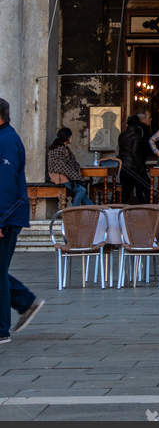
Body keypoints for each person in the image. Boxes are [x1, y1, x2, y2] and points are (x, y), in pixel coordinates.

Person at [0, 98, 44, 345]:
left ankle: (2, 329)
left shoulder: (6, 141)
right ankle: (25, 301)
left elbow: (5, 185)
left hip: (6, 217)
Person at [45, 128, 91, 207]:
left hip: (65, 176)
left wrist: (78, 175)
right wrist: (77, 178)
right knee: (81, 190)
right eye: (70, 136)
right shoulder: (58, 148)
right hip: (58, 177)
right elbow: (62, 167)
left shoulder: (65, 148)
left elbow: (72, 163)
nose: (71, 138)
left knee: (83, 194)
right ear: (67, 137)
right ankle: (73, 212)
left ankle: (96, 211)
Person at [118, 109, 151, 203]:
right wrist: (141, 168)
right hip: (134, 167)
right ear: (137, 124)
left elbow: (121, 151)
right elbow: (135, 152)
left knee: (126, 194)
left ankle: (124, 213)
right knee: (146, 187)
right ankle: (146, 209)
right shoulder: (136, 135)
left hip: (124, 167)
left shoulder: (122, 135)